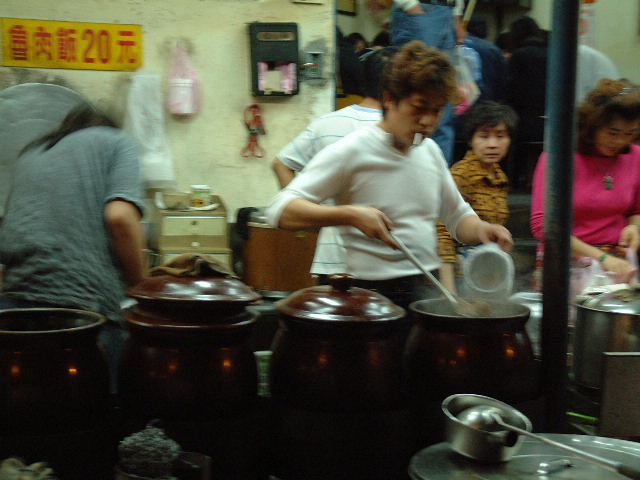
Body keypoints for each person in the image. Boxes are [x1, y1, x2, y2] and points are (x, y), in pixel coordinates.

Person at [266, 41, 513, 309]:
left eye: (437, 110)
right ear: (390, 99)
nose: (428, 121)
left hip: (424, 289)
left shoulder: (429, 150)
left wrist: (481, 229)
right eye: (419, 107)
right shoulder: (354, 149)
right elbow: (280, 211)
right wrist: (349, 215)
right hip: (369, 296)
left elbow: (457, 216)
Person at [0, 105, 146, 389]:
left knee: (22, 409)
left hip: (13, 313)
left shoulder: (31, 155)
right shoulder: (117, 141)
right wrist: (141, 286)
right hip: (82, 316)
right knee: (97, 409)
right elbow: (120, 218)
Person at [272, 47, 398, 278]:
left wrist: (313, 217)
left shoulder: (328, 123)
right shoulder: (409, 132)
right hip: (392, 259)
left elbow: (281, 163)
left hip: (333, 260)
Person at [530, 79, 640, 290]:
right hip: (565, 262)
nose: (620, 142)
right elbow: (543, 227)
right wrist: (601, 257)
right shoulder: (559, 157)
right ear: (593, 125)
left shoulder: (635, 157)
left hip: (617, 265)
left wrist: (634, 228)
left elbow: (636, 210)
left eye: (630, 134)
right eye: (613, 133)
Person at [438, 101, 518, 294]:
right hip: (461, 277)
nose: (492, 144)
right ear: (471, 140)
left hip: (490, 273)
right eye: (484, 136)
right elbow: (443, 235)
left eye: (500, 136)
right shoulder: (461, 175)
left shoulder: (499, 177)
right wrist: (450, 293)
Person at [389, 0, 466, 166]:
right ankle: (408, 172)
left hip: (446, 9)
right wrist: (411, 6)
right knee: (415, 99)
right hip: (420, 10)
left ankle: (437, 176)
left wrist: (456, 14)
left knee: (444, 107)